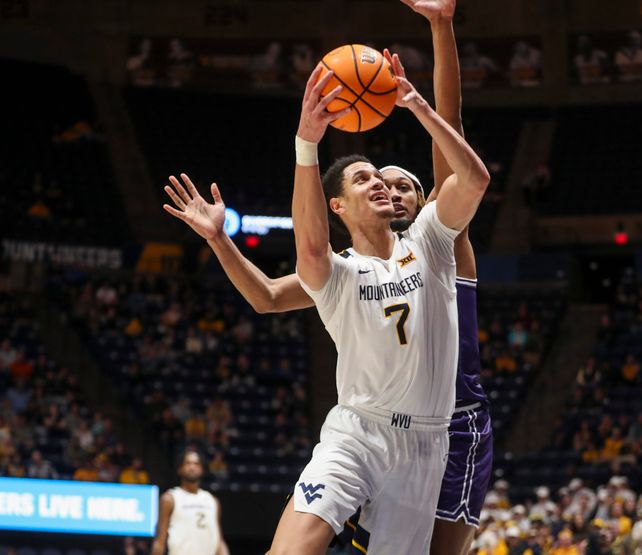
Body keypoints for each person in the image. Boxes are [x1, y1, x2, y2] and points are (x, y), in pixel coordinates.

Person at [162, 1, 492, 553]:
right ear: (339, 205)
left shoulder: (436, 243)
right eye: (368, 178)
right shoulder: (340, 271)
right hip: (360, 428)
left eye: (398, 182)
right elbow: (273, 290)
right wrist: (224, 236)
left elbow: (461, 157)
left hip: (444, 429)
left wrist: (435, 43)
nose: (387, 185)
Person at [150, 449, 229, 555]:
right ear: (180, 469)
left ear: (202, 469)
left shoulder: (213, 501)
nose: (192, 467)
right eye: (187, 463)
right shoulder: (170, 498)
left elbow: (219, 541)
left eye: (196, 463)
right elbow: (159, 542)